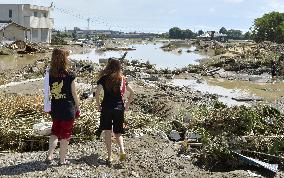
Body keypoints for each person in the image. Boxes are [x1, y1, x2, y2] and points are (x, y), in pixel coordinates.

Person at [95, 59, 134, 163]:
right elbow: (132, 93)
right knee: (118, 132)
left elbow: (97, 93)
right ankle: (122, 150)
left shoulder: (104, 78)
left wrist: (98, 105)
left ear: (108, 66)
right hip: (119, 108)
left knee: (107, 131)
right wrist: (127, 105)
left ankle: (109, 156)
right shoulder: (122, 79)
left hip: (106, 108)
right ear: (118, 67)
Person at [46, 48, 80, 165]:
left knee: (55, 132)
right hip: (68, 108)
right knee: (65, 135)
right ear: (65, 59)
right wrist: (78, 107)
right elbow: (74, 93)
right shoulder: (70, 74)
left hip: (55, 107)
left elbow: (47, 91)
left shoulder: (49, 73)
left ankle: (50, 155)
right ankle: (62, 160)